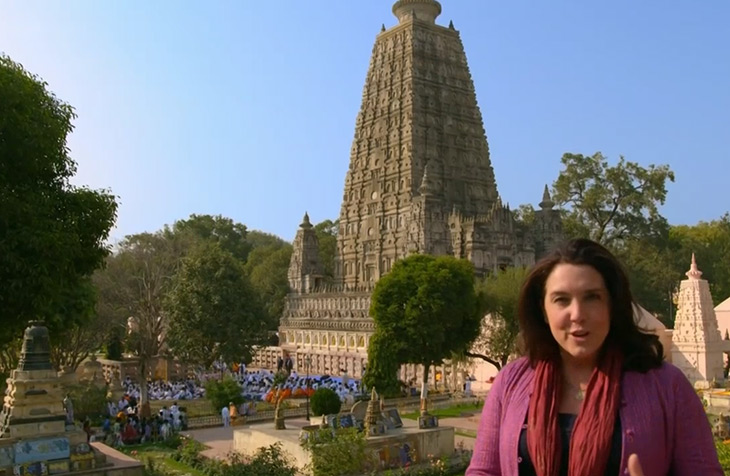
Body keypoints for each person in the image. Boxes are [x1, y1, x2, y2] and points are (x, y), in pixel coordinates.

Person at [466, 238, 721, 476]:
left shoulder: (666, 386)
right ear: (543, 311)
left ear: (612, 304)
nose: (577, 314)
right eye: (561, 300)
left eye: (592, 297)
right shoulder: (512, 382)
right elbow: (483, 471)